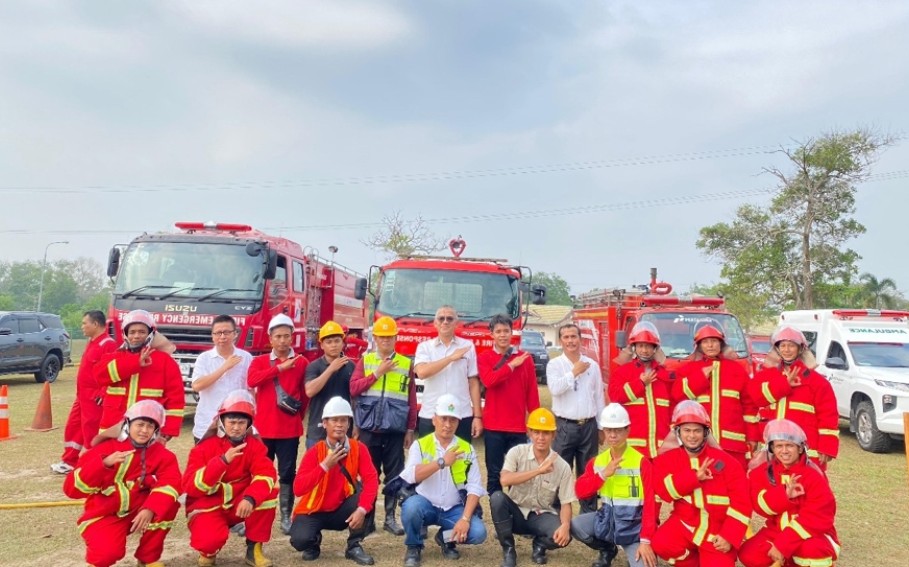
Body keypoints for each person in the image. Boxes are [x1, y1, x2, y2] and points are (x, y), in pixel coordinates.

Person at [63, 400, 181, 567]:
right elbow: (71, 490)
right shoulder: (104, 449)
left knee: (168, 505)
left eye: (150, 426)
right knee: (108, 555)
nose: (144, 430)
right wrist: (104, 464)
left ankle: (147, 558)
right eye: (140, 424)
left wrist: (151, 508)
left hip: (138, 510)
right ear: (127, 424)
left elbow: (171, 483)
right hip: (104, 514)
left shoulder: (163, 455)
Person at [651, 401, 752, 567]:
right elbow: (663, 491)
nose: (692, 436)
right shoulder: (667, 460)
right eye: (687, 430)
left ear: (706, 433)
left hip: (716, 533)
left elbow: (742, 503)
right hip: (684, 525)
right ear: (678, 432)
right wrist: (693, 478)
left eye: (697, 430)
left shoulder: (728, 463)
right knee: (662, 543)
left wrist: (729, 536)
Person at [183, 390, 278, 567]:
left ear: (249, 424)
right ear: (221, 422)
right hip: (208, 506)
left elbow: (266, 474)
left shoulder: (254, 446)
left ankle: (254, 548)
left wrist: (251, 498)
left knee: (270, 491)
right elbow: (191, 486)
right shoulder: (203, 448)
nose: (236, 427)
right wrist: (222, 462)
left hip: (239, 503)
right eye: (231, 422)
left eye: (241, 422)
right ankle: (208, 551)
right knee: (209, 542)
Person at [399, 393, 488, 567]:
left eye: (452, 420)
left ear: (458, 422)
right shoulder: (420, 445)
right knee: (410, 508)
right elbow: (411, 476)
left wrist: (465, 519)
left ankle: (445, 538)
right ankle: (413, 546)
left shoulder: (467, 449)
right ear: (434, 419)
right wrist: (441, 462)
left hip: (453, 508)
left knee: (478, 532)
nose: (447, 424)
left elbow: (475, 487)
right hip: (425, 504)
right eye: (443, 418)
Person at [349, 315, 418, 536]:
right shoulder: (366, 361)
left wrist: (410, 429)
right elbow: (354, 389)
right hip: (369, 429)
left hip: (395, 430)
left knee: (395, 475)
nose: (386, 340)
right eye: (382, 337)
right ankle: (367, 519)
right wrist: (377, 373)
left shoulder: (406, 364)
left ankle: (390, 518)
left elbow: (411, 399)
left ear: (396, 338)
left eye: (389, 337)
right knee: (368, 475)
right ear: (375, 338)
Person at [290, 397, 379, 566]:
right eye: (334, 420)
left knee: (367, 496)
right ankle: (313, 542)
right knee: (300, 540)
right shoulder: (315, 452)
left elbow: (372, 480)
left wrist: (362, 509)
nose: (339, 425)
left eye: (343, 420)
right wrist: (324, 466)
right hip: (314, 510)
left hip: (342, 509)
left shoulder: (358, 448)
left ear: (348, 424)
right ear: (324, 423)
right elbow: (298, 489)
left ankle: (354, 545)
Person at [738, 419, 840, 567]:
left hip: (812, 533)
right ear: (772, 449)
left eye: (789, 445)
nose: (784, 451)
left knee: (812, 550)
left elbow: (818, 517)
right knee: (749, 554)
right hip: (777, 529)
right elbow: (759, 505)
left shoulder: (814, 475)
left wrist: (782, 544)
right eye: (779, 446)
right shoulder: (765, 472)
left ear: (800, 448)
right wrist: (784, 495)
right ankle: (788, 561)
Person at [571, 404, 656, 567]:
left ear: (627, 430)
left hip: (633, 530)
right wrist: (603, 475)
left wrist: (645, 541)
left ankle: (633, 549)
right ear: (603, 431)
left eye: (618, 430)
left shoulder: (641, 462)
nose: (613, 435)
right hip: (606, 522)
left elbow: (650, 504)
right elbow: (579, 491)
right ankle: (608, 549)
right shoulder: (598, 462)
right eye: (609, 430)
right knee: (576, 525)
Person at [247, 313, 310, 535]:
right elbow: (252, 380)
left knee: (287, 474)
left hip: (289, 430)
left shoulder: (302, 362)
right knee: (259, 473)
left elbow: (305, 396)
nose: (282, 341)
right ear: (270, 338)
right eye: (278, 336)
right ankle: (254, 514)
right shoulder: (259, 361)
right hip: (263, 429)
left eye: (286, 336)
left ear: (292, 337)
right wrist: (279, 369)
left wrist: (297, 416)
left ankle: (285, 516)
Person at [492, 407, 575, 567]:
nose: (541, 437)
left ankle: (540, 545)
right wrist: (538, 471)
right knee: (497, 498)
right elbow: (505, 480)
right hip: (515, 512)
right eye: (536, 432)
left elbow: (566, 503)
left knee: (565, 534)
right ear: (529, 432)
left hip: (540, 515)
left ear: (553, 435)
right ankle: (509, 550)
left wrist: (565, 525)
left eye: (546, 433)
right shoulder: (517, 452)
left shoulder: (562, 466)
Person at [748, 326, 839, 469]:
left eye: (791, 345)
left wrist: (827, 447)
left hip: (805, 448)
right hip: (774, 447)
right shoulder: (766, 376)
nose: (787, 350)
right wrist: (784, 384)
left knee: (807, 482)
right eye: (783, 345)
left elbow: (828, 415)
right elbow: (756, 399)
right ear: (777, 349)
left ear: (800, 349)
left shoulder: (817, 382)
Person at [673, 325, 759, 468]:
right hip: (699, 444)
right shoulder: (689, 370)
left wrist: (752, 436)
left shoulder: (737, 370)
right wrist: (701, 377)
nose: (710, 345)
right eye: (705, 342)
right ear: (699, 346)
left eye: (714, 341)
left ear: (721, 344)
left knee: (734, 479)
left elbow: (749, 407)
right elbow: (677, 395)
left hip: (732, 445)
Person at [94, 309, 185, 442]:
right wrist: (135, 362)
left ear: (150, 334)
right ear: (125, 334)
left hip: (146, 431)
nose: (136, 336)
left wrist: (168, 430)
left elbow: (176, 399)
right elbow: (100, 376)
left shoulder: (165, 362)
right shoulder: (113, 357)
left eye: (142, 332)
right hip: (113, 429)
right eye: (132, 332)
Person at [546, 323, 606, 514]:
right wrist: (574, 372)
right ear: (560, 341)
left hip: (588, 426)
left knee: (588, 473)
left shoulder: (592, 365)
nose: (570, 341)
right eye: (566, 337)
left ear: (580, 339)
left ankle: (588, 516)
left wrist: (601, 427)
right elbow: (555, 389)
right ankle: (556, 515)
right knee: (559, 471)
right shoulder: (555, 365)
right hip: (564, 426)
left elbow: (598, 396)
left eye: (574, 336)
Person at [478, 314, 541, 495]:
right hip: (493, 426)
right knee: (494, 474)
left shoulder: (525, 358)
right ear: (491, 334)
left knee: (518, 475)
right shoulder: (484, 357)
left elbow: (532, 392)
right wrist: (511, 365)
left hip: (518, 427)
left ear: (512, 333)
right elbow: (489, 381)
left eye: (506, 331)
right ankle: (496, 507)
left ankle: (515, 510)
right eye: (498, 331)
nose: (503, 335)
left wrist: (535, 423)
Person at [52, 310, 117, 474]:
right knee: (73, 427)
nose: (82, 326)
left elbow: (111, 372)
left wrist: (103, 393)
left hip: (94, 397)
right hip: (82, 396)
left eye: (84, 323)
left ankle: (93, 465)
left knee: (91, 431)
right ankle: (69, 461)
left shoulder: (108, 344)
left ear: (95, 324)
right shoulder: (92, 342)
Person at [414, 305, 482, 441]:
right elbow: (421, 373)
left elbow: (473, 383)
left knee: (461, 454)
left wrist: (477, 416)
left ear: (456, 323)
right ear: (435, 323)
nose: (445, 322)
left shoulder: (468, 346)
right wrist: (450, 358)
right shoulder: (424, 347)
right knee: (428, 454)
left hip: (461, 414)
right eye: (441, 318)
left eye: (449, 319)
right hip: (431, 413)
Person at [607, 321, 673, 459]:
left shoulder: (664, 375)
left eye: (648, 346)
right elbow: (615, 396)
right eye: (641, 345)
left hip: (660, 449)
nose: (644, 350)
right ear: (634, 347)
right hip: (633, 449)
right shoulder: (623, 372)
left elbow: (672, 407)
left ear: (655, 348)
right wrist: (640, 384)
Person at [191, 315, 253, 444]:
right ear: (212, 336)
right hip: (207, 424)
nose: (222, 337)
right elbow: (197, 386)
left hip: (236, 427)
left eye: (227, 332)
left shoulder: (246, 358)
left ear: (235, 334)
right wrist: (224, 367)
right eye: (218, 333)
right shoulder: (204, 358)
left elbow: (251, 390)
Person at [305, 320, 356, 448]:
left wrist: (356, 425)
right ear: (322, 345)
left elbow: (356, 398)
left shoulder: (351, 366)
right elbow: (310, 391)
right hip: (318, 430)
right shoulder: (314, 366)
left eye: (337, 341)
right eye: (329, 342)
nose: (333, 345)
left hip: (343, 431)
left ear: (343, 343)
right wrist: (331, 369)